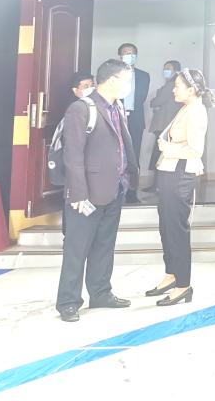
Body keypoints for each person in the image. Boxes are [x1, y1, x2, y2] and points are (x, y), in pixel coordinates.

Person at [56, 59, 138, 322]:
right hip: (87, 193)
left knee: (104, 245)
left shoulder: (117, 107)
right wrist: (78, 194)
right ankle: (68, 301)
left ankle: (101, 292)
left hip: (115, 188)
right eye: (126, 80)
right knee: (77, 248)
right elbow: (73, 155)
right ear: (112, 80)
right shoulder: (81, 108)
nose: (129, 86)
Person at [146, 68, 215, 307]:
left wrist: (167, 148)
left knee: (176, 229)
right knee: (166, 227)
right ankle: (171, 274)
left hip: (181, 174)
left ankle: (183, 284)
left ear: (192, 89)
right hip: (169, 171)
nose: (174, 90)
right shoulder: (186, 107)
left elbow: (196, 150)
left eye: (177, 86)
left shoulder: (197, 111)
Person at [60, 72, 96, 236]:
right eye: (85, 86)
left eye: (92, 85)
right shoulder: (75, 109)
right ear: (75, 90)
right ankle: (68, 235)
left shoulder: (95, 107)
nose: (90, 89)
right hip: (75, 164)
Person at [118, 43, 150, 204]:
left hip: (135, 119)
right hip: (116, 117)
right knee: (115, 154)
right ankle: (116, 189)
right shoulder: (114, 74)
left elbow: (141, 97)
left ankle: (132, 192)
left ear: (136, 56)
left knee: (134, 155)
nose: (128, 56)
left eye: (131, 53)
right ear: (120, 56)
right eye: (125, 53)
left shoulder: (143, 76)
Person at [146, 60, 183, 187]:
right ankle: (158, 185)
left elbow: (156, 102)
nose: (165, 70)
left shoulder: (171, 85)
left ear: (176, 70)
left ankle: (157, 185)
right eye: (164, 68)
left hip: (164, 124)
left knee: (160, 154)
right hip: (168, 124)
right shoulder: (174, 84)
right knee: (161, 154)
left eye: (168, 68)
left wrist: (154, 102)